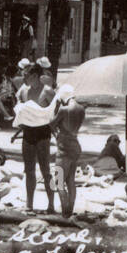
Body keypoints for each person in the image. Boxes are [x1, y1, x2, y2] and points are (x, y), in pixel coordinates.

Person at [13, 86, 57, 213]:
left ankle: (51, 205)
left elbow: (57, 109)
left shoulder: (47, 91)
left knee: (46, 170)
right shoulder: (22, 91)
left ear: (34, 75)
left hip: (43, 133)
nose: (24, 76)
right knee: (29, 171)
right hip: (28, 132)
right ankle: (29, 204)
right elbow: (18, 110)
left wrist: (52, 125)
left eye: (26, 73)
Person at [52, 84, 84, 216]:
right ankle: (70, 209)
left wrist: (56, 106)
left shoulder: (63, 110)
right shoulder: (81, 108)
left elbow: (51, 124)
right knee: (71, 180)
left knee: (59, 180)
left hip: (63, 146)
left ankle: (65, 211)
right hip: (75, 145)